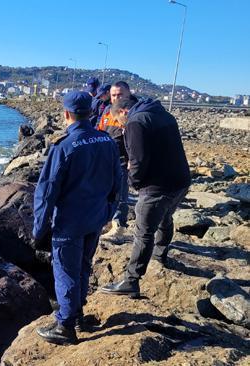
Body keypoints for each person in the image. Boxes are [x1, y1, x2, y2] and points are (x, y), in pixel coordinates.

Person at [33, 91, 121, 345]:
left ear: (67, 114)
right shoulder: (106, 141)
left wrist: (39, 231)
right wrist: (108, 212)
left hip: (69, 223)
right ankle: (78, 314)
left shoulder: (64, 146)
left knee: (65, 272)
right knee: (83, 266)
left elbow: (47, 191)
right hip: (95, 219)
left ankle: (65, 326)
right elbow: (118, 181)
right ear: (92, 112)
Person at [100, 97, 191, 298]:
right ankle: (160, 255)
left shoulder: (135, 121)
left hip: (157, 185)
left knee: (143, 231)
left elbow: (138, 160)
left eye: (118, 120)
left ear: (124, 111)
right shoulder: (163, 114)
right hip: (181, 180)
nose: (120, 125)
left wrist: (134, 182)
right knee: (165, 218)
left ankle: (131, 280)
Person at [98, 81, 138, 242]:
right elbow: (100, 130)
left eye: (120, 94)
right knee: (104, 193)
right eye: (113, 95)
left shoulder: (133, 112)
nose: (116, 98)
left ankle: (119, 227)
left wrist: (132, 161)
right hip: (106, 159)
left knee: (120, 194)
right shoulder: (108, 110)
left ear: (128, 94)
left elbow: (136, 140)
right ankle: (107, 222)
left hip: (123, 160)